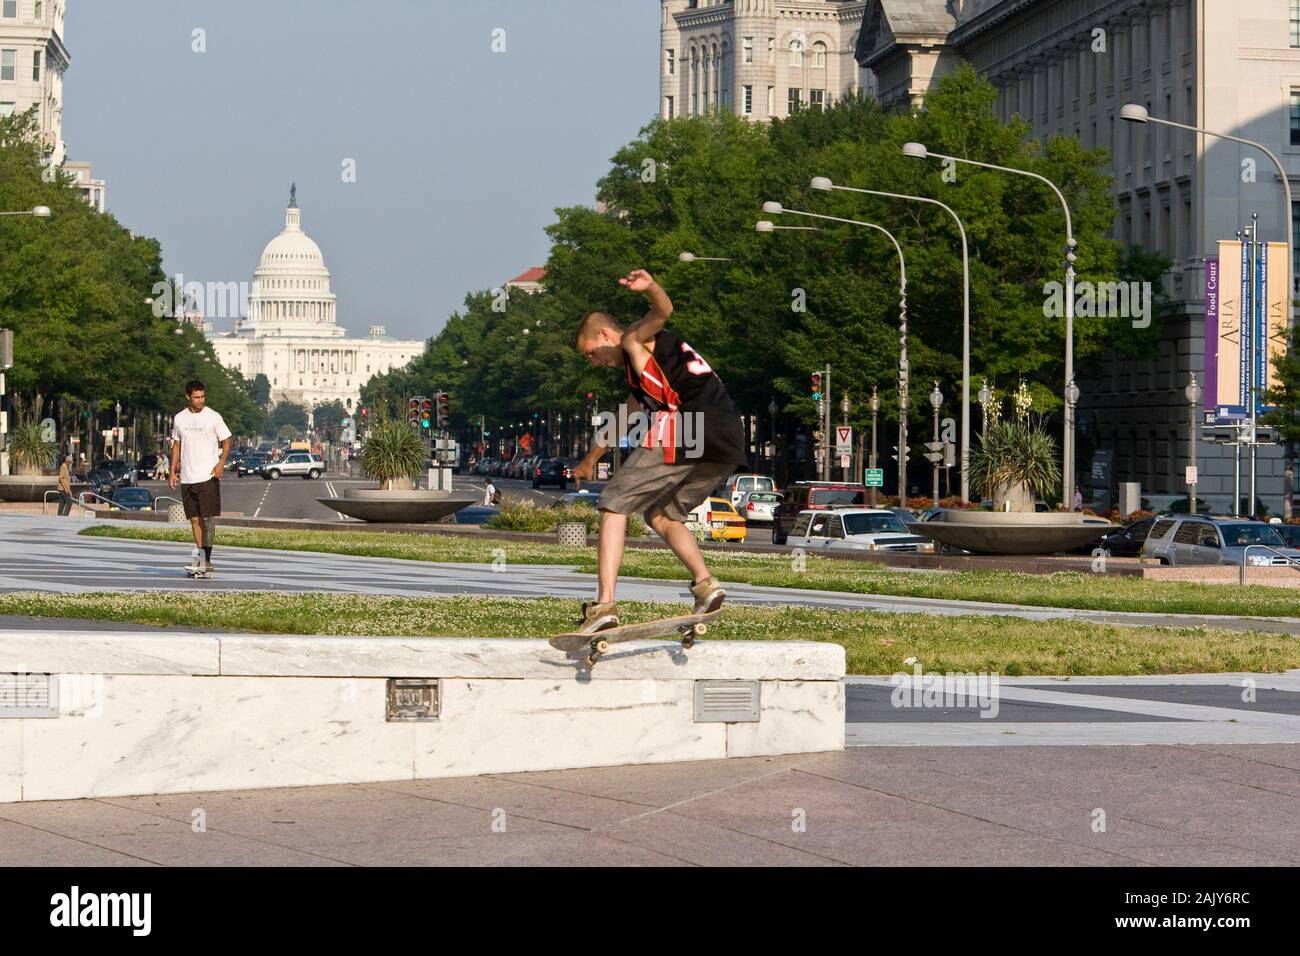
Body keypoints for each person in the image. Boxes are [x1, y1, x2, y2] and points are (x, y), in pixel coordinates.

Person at [571, 268, 746, 634]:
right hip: (726, 437)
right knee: (662, 515)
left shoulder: (635, 338)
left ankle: (604, 606)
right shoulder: (641, 379)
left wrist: (650, 287)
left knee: (613, 504)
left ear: (605, 335)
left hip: (688, 425)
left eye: (592, 354)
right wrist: (590, 460)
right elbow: (623, 420)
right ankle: (706, 586)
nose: (595, 362)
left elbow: (663, 312)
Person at [168, 379, 232, 573]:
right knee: (194, 519)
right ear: (188, 396)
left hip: (208, 475)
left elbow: (227, 440)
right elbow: (176, 445)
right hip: (188, 476)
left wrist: (221, 463)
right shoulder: (179, 418)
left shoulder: (213, 417)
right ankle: (201, 555)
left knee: (207, 519)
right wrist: (172, 470)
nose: (200, 401)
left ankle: (207, 557)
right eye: (196, 397)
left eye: (202, 397)